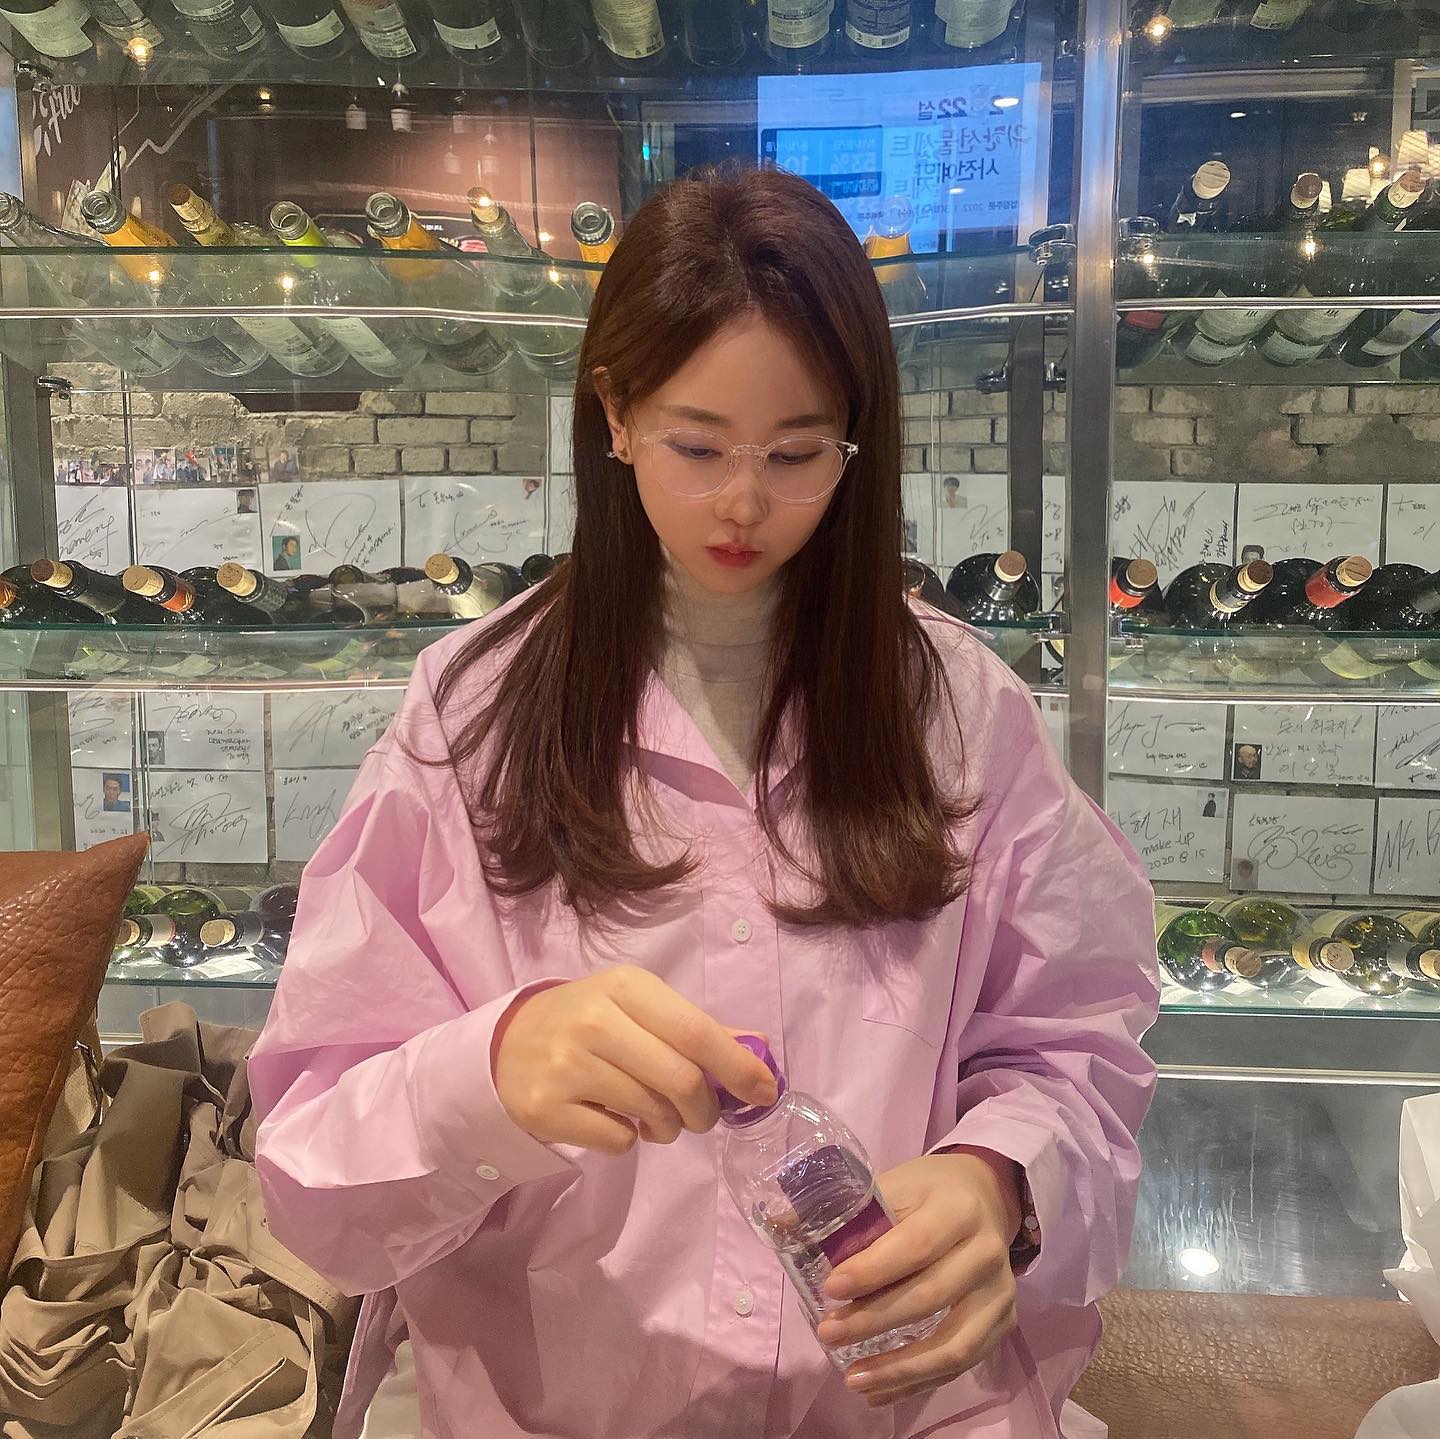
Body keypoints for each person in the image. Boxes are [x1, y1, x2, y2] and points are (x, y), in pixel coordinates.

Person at [250, 167, 1159, 1439]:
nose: (743, 501)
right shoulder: (471, 716)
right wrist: (487, 1076)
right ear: (615, 415)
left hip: (896, 1410)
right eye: (696, 445)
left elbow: (1078, 1045)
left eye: (797, 454)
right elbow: (311, 1171)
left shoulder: (962, 711)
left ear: (857, 441)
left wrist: (1000, 1175)